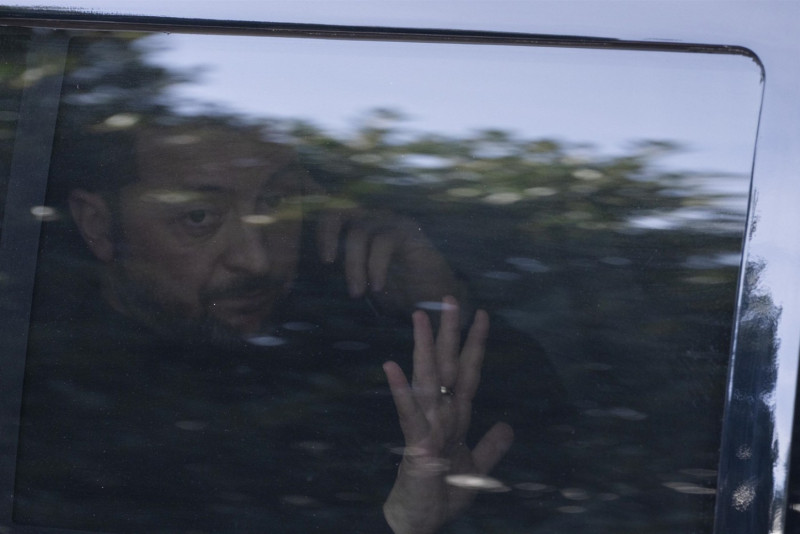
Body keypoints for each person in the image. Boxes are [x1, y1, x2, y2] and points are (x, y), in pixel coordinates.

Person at [15, 120, 514, 534]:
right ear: (97, 224)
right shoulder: (38, 406)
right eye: (198, 217)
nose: (256, 259)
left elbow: (532, 459)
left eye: (276, 203)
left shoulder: (343, 335)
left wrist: (443, 306)